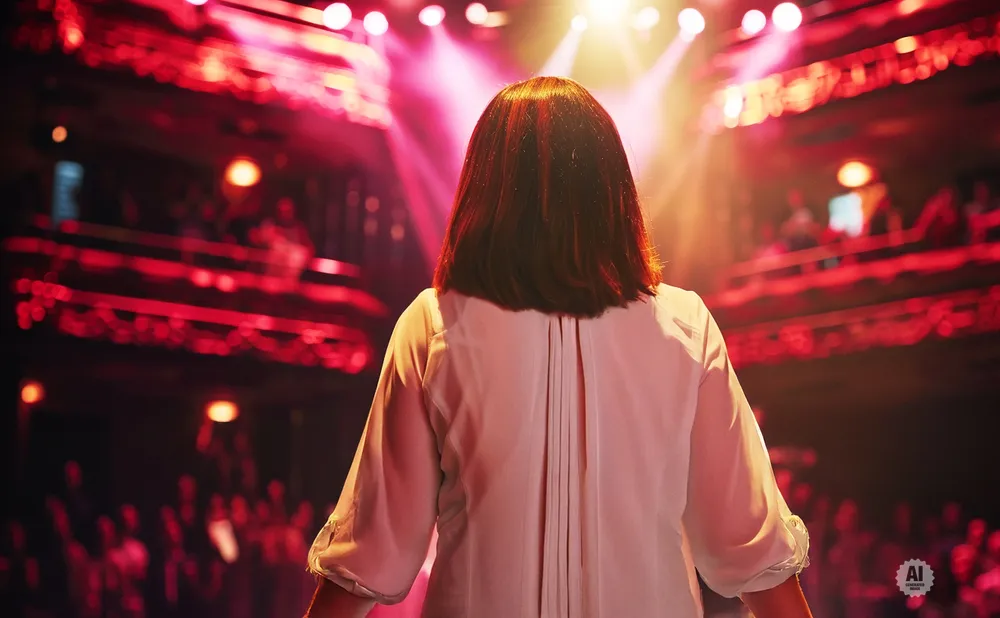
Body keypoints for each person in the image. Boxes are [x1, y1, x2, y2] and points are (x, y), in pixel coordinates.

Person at [304, 77, 812, 618]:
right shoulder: (684, 327)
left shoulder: (433, 324)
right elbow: (750, 550)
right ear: (612, 188)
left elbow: (375, 550)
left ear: (484, 188)